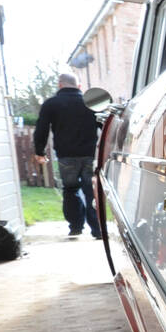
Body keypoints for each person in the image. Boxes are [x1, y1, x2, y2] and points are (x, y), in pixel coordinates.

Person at [33, 73, 100, 240]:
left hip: (66, 156)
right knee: (91, 191)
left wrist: (40, 152)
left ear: (60, 85)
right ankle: (97, 230)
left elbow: (41, 128)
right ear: (79, 86)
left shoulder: (51, 104)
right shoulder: (91, 101)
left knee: (70, 190)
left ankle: (76, 227)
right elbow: (105, 124)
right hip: (90, 155)